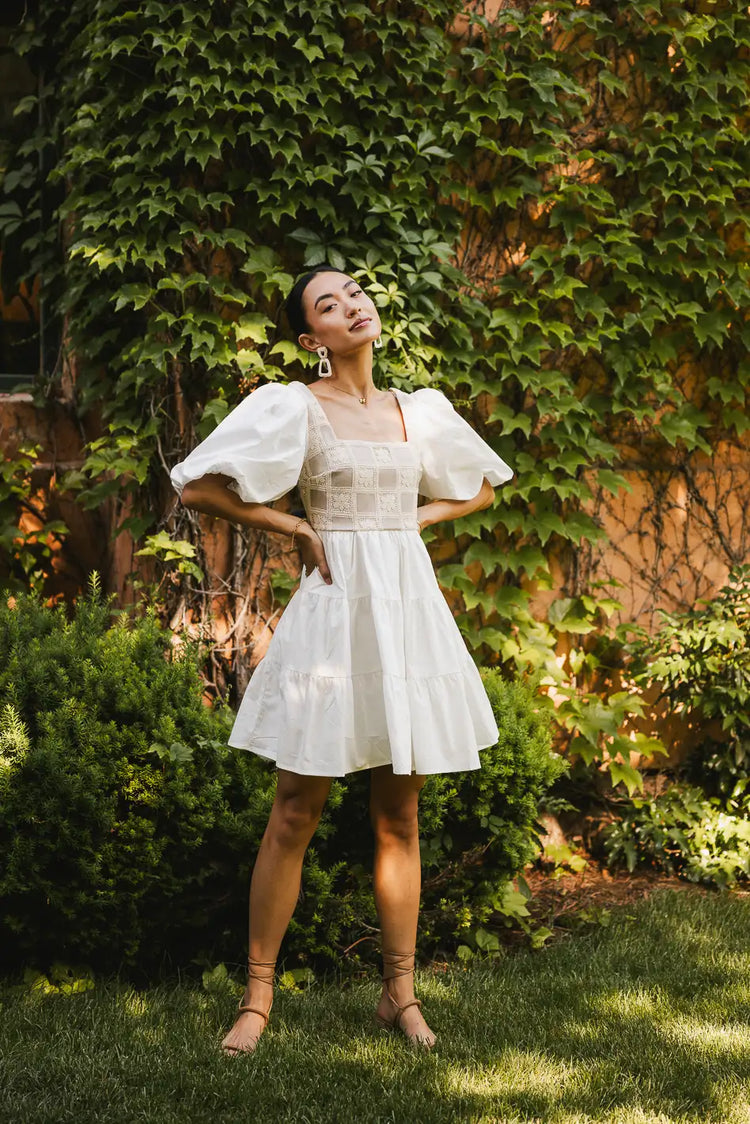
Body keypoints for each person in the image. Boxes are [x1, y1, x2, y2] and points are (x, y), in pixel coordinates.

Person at [169, 263, 513, 1054]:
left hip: (407, 615)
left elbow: (484, 485)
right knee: (294, 808)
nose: (352, 306)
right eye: (330, 304)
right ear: (309, 338)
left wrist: (416, 517)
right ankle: (256, 1000)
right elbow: (200, 488)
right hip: (333, 618)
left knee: (400, 814)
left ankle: (400, 994)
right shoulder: (294, 407)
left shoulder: (416, 411)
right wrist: (293, 528)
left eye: (355, 293)